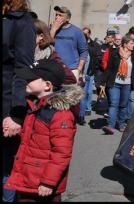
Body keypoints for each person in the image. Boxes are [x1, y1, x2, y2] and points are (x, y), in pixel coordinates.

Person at [4, 59, 84, 202]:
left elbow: (62, 153)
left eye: (31, 78)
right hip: (29, 178)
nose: (26, 80)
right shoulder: (34, 106)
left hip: (43, 184)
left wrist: (48, 182)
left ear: (47, 85)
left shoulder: (60, 114)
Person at [2, 0, 36, 202]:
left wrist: (15, 114)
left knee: (5, 168)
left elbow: (21, 70)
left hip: (5, 104)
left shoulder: (21, 22)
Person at [100, 33, 134, 134]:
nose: (133, 45)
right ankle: (110, 126)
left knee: (123, 105)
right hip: (115, 83)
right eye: (131, 43)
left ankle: (121, 124)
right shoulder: (115, 53)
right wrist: (102, 82)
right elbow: (109, 68)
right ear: (125, 44)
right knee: (113, 104)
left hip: (127, 83)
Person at [49, 6, 88, 84]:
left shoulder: (77, 32)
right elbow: (46, 46)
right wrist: (53, 30)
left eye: (60, 15)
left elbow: (84, 51)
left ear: (68, 19)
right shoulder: (50, 29)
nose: (57, 17)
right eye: (56, 15)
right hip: (54, 69)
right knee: (54, 95)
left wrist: (79, 69)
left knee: (70, 95)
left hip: (71, 69)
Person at [78, 27, 102, 125]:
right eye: (82, 34)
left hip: (89, 73)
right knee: (81, 95)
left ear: (89, 34)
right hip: (79, 74)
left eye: (86, 34)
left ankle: (84, 112)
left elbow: (97, 59)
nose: (84, 36)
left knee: (87, 93)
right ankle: (80, 114)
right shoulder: (78, 45)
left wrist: (94, 70)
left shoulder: (94, 45)